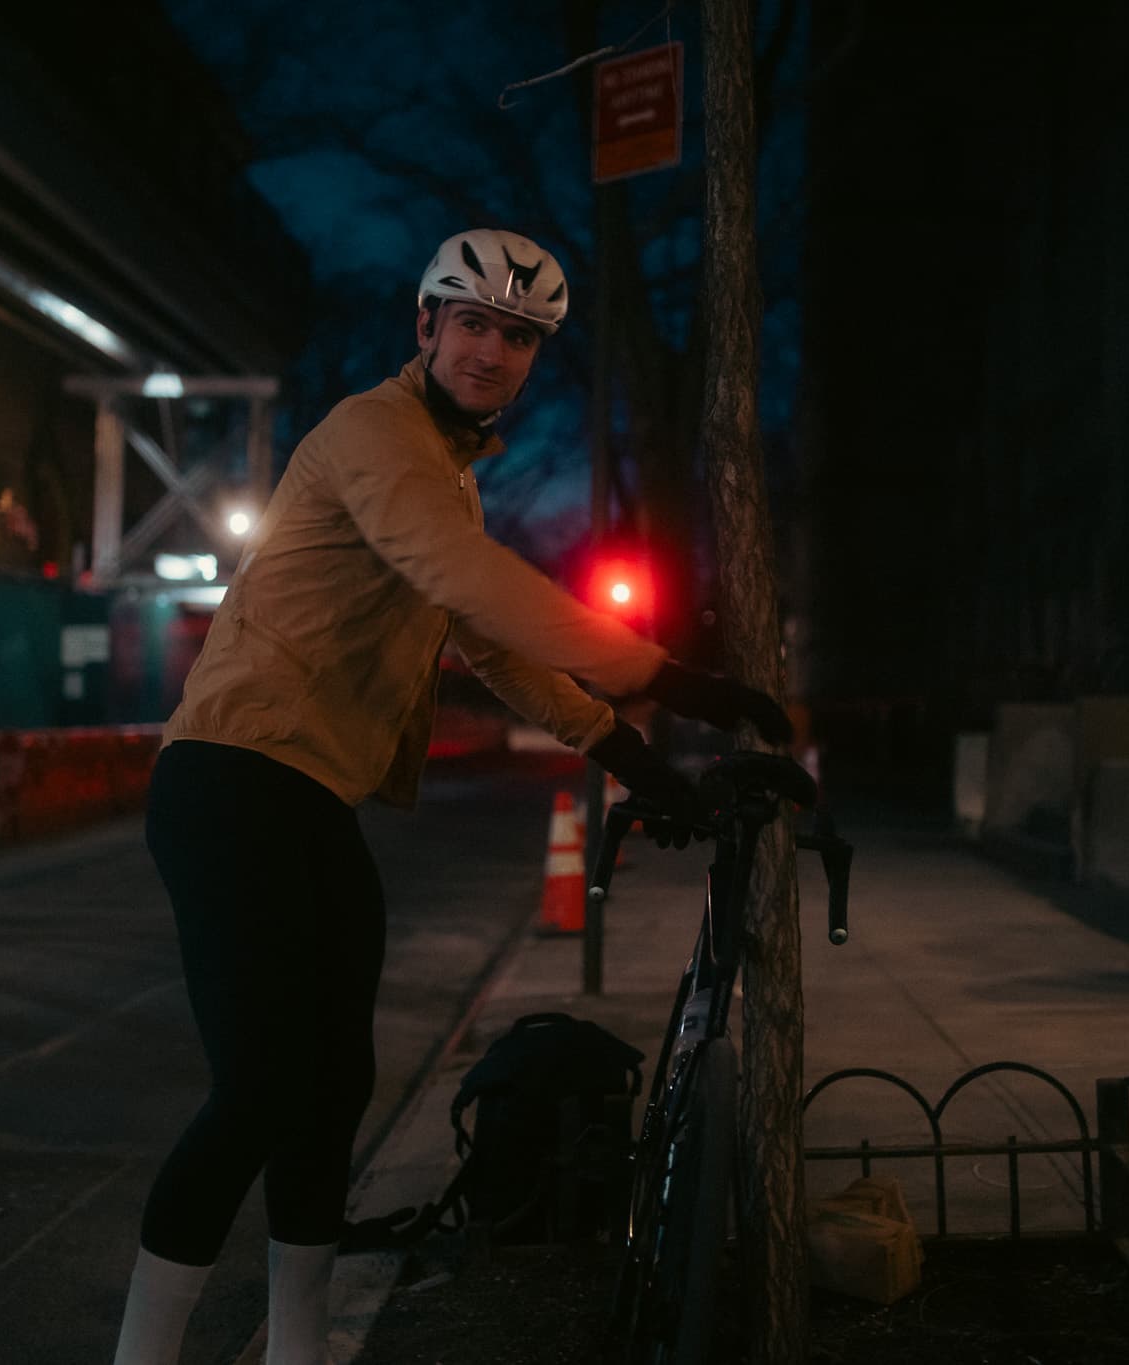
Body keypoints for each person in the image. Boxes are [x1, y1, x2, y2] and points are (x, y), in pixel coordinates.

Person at [112, 228, 791, 1365]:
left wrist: (632, 755)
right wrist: (662, 673)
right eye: (470, 322)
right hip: (229, 781)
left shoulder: (446, 480)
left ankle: (297, 1348)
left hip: (310, 799)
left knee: (336, 1088)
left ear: (532, 359)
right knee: (262, 1085)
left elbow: (490, 641)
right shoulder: (371, 435)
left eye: (517, 336)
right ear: (423, 326)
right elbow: (464, 582)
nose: (490, 350)